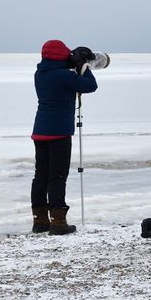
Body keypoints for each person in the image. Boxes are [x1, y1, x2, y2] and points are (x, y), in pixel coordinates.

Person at [31, 39, 99, 236]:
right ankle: (58, 222)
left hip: (40, 130)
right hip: (58, 131)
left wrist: (71, 64)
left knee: (41, 176)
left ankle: (40, 220)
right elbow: (90, 85)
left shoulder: (40, 73)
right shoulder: (62, 76)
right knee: (57, 176)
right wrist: (83, 66)